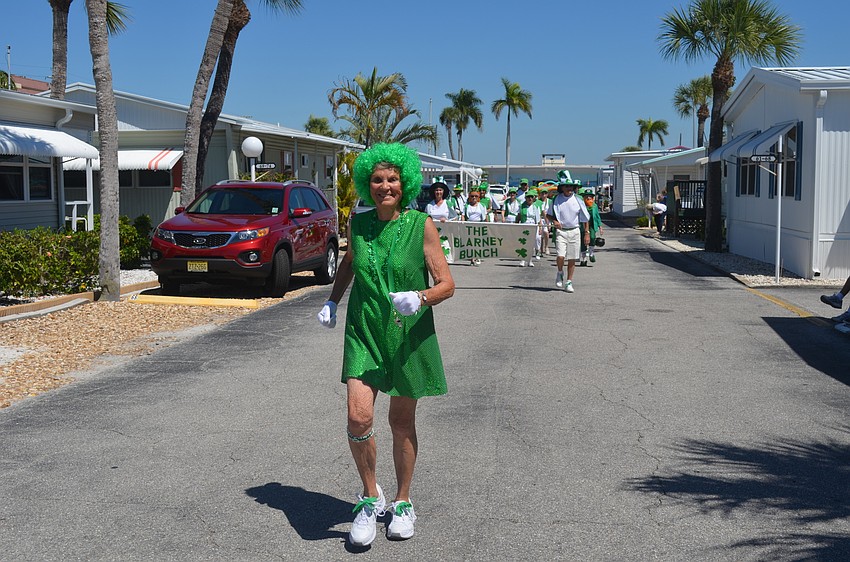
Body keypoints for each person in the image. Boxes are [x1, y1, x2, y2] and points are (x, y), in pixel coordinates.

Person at [316, 143, 456, 546]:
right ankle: (369, 496)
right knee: (359, 419)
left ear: (405, 182)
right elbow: (349, 263)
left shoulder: (421, 225)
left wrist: (422, 297)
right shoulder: (356, 225)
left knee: (400, 423)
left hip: (405, 333)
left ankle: (403, 500)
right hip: (364, 331)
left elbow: (447, 284)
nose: (385, 186)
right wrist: (332, 300)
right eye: (377, 180)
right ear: (367, 184)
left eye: (392, 179)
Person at [547, 179, 590, 292]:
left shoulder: (578, 200)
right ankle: (560, 272)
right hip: (561, 231)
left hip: (575, 231)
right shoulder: (556, 199)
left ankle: (569, 282)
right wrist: (554, 222)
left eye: (571, 186)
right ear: (562, 188)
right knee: (560, 255)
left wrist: (586, 233)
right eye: (566, 186)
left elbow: (585, 218)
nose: (569, 188)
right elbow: (548, 215)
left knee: (572, 258)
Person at [517, 188, 542, 267]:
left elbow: (538, 219)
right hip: (524, 225)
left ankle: (530, 260)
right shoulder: (522, 206)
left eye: (531, 197)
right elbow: (518, 217)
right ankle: (522, 260)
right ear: (525, 198)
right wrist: (516, 225)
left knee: (532, 243)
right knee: (524, 243)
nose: (530, 199)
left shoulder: (535, 207)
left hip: (533, 226)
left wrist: (540, 228)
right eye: (528, 197)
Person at [463, 187, 488, 265]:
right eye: (472, 196)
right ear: (469, 197)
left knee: (477, 243)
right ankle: (472, 258)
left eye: (476, 196)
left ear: (478, 197)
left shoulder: (482, 205)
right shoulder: (467, 206)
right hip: (469, 226)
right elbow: (463, 216)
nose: (474, 198)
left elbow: (485, 217)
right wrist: (463, 224)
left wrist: (487, 226)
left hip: (479, 225)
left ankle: (477, 257)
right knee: (470, 243)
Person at [579, 187, 603, 266]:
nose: (589, 197)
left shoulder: (595, 206)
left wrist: (600, 227)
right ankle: (583, 259)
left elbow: (597, 216)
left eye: (590, 196)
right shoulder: (581, 206)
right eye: (587, 196)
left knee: (592, 238)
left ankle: (591, 253)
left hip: (592, 225)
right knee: (583, 242)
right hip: (582, 226)